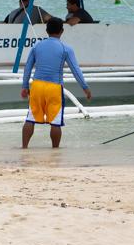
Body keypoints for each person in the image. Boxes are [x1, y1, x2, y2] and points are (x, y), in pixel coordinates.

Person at [20, 17, 92, 149]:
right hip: (54, 88)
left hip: (37, 86)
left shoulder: (37, 46)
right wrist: (85, 88)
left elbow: (28, 67)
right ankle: (55, 151)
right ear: (62, 31)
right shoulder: (65, 48)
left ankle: (24, 148)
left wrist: (25, 86)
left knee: (30, 118)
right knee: (55, 122)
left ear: (46, 30)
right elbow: (75, 70)